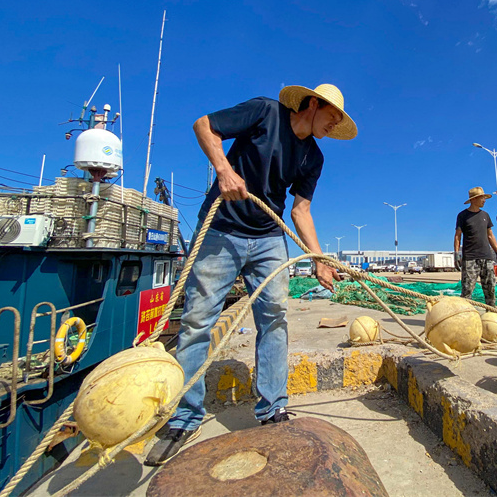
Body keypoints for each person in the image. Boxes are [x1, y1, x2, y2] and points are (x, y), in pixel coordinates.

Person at [145, 84, 355, 466]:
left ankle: (273, 408)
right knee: (196, 321)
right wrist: (224, 171)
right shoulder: (264, 112)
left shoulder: (314, 157)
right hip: (221, 230)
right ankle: (184, 416)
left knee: (274, 319)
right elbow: (204, 125)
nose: (334, 125)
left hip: (269, 238)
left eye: (338, 121)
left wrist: (319, 260)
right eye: (332, 116)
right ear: (313, 104)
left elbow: (300, 211)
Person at [454, 186, 497, 307]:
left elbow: (490, 235)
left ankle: (491, 314)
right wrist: (456, 255)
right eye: (482, 198)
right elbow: (457, 236)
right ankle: (466, 317)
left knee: (490, 290)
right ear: (473, 199)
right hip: (470, 259)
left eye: (484, 197)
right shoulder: (462, 216)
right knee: (467, 291)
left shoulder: (485, 215)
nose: (484, 200)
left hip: (487, 258)